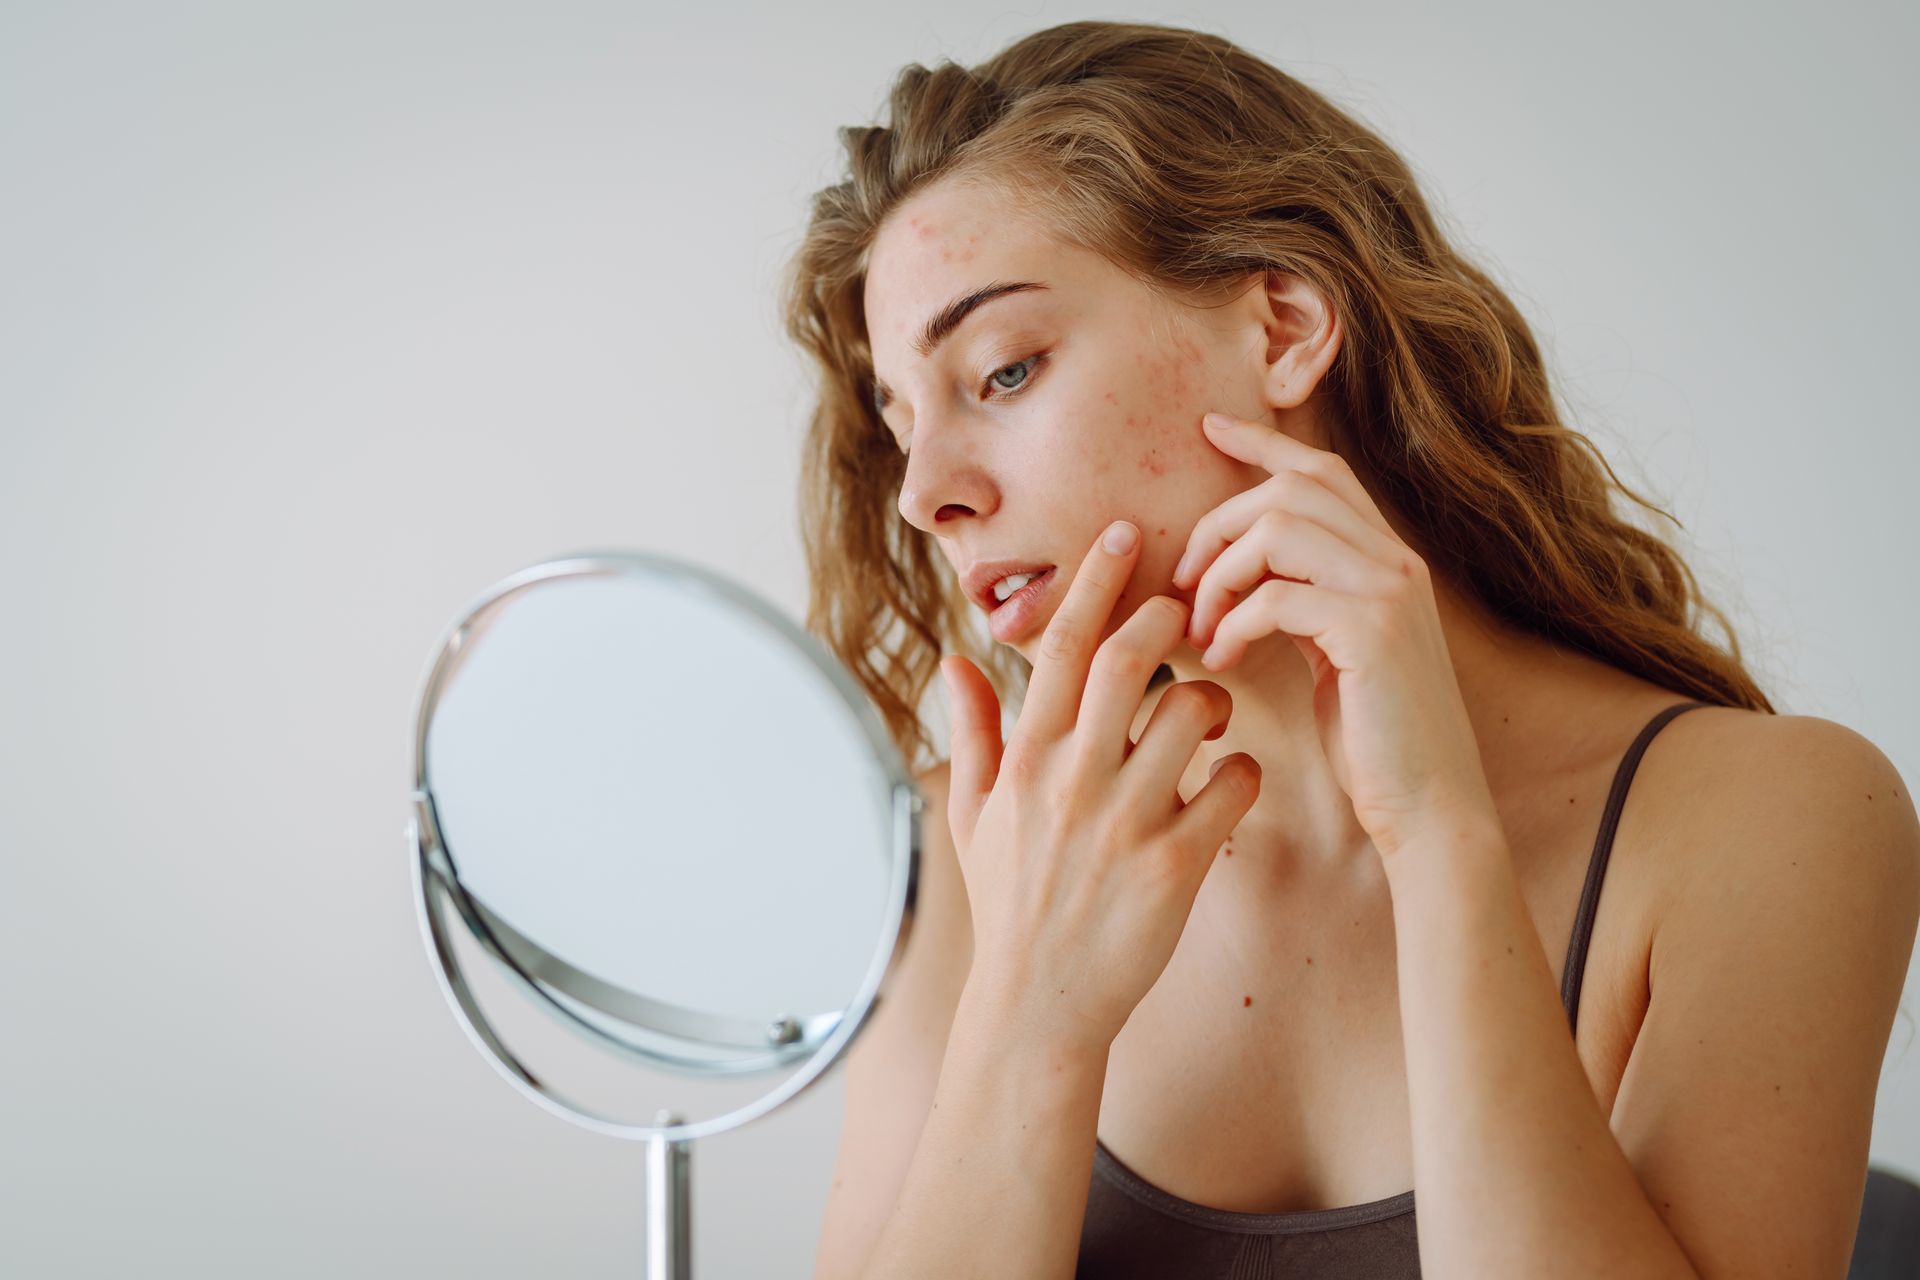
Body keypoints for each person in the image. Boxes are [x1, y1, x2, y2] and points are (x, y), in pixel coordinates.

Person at [779, 19, 1920, 1279]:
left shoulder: (1769, 821)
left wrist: (1438, 835)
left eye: (1002, 372)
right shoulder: (965, 855)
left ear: (1280, 328)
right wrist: (1033, 1012)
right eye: (901, 421)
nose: (924, 491)